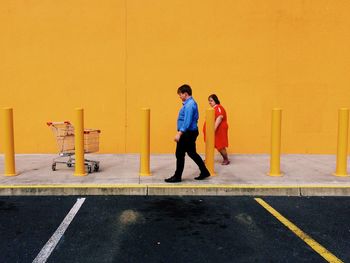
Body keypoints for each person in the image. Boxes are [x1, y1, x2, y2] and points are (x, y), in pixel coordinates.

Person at [165, 84, 210, 183]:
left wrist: (180, 133)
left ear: (185, 94)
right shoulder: (190, 103)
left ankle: (177, 176)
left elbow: (187, 121)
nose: (179, 97)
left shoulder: (189, 105)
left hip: (187, 133)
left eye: (180, 94)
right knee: (191, 153)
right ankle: (204, 171)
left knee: (180, 154)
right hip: (190, 132)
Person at [203, 94, 230, 165]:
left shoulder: (218, 107)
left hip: (219, 130)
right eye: (209, 101)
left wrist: (213, 129)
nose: (210, 102)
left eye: (211, 101)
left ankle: (226, 159)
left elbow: (220, 117)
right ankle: (208, 159)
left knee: (220, 145)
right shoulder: (213, 108)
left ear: (215, 100)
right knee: (210, 144)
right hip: (215, 131)